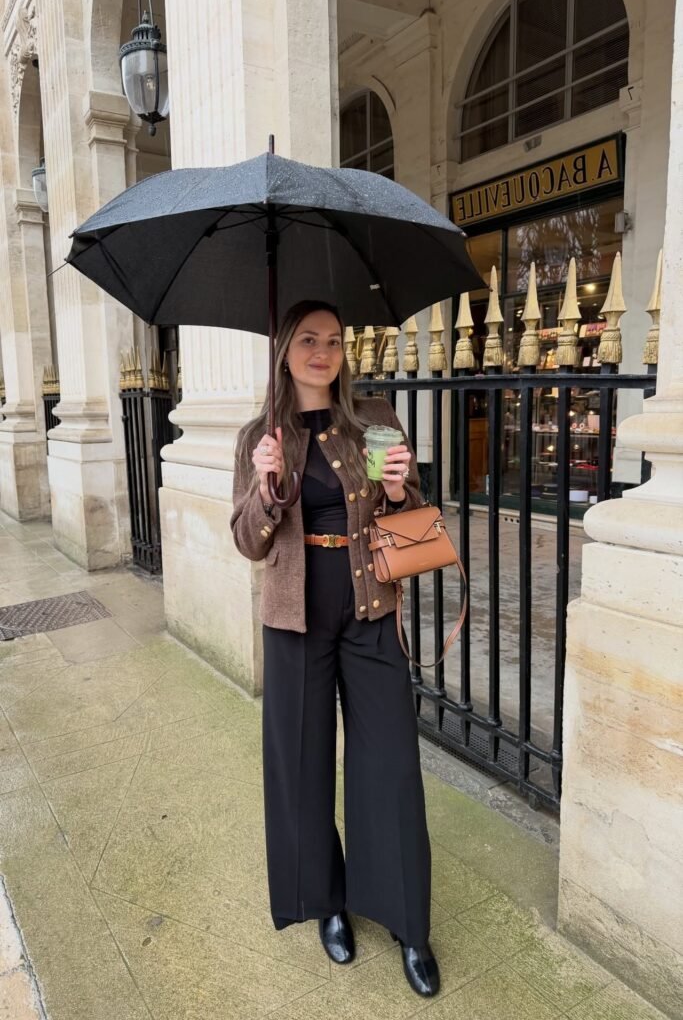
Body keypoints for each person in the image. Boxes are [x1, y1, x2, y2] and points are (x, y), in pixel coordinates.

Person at [230, 300, 439, 997]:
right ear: (285, 350)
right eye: (309, 340)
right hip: (294, 617)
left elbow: (408, 518)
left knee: (389, 763)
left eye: (335, 341)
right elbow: (247, 541)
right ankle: (325, 904)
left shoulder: (375, 418)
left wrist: (395, 486)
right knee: (301, 762)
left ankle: (408, 921)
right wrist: (264, 489)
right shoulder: (261, 434)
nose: (323, 352)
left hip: (369, 610)